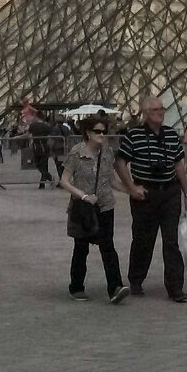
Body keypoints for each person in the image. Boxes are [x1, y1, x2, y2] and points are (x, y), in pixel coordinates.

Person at [116, 97, 187, 302]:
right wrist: (131, 188)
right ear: (146, 113)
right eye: (155, 109)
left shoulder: (171, 134)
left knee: (171, 242)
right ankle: (136, 279)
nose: (160, 112)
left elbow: (179, 166)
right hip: (145, 195)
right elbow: (120, 162)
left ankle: (175, 288)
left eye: (161, 109)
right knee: (142, 240)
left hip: (169, 193)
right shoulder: (134, 135)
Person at [59, 113, 128, 303]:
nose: (102, 135)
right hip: (83, 207)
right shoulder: (76, 153)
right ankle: (76, 287)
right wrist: (83, 196)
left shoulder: (107, 152)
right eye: (98, 131)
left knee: (108, 247)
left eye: (104, 132)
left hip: (105, 205)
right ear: (88, 133)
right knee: (81, 248)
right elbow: (64, 181)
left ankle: (115, 287)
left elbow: (112, 180)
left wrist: (131, 191)